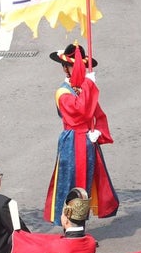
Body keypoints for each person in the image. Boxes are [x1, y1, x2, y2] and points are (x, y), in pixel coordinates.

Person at [44, 43, 119, 224]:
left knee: (86, 183)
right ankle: (68, 224)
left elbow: (96, 113)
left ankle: (80, 225)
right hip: (72, 142)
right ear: (65, 68)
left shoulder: (82, 89)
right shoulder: (63, 92)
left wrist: (98, 130)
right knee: (71, 183)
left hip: (86, 141)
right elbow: (80, 113)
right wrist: (89, 86)